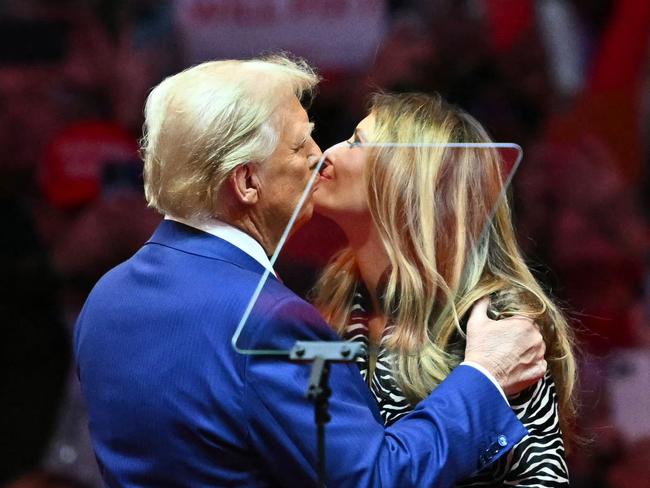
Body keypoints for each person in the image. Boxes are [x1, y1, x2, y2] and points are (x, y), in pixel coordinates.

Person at [74, 55, 547, 487]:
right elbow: (377, 479)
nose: (320, 155)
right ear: (247, 182)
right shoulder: (267, 320)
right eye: (300, 145)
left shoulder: (105, 300)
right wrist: (485, 376)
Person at [312, 92, 577, 486]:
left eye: (356, 142)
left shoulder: (493, 318)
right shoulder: (339, 294)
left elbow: (540, 479)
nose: (327, 152)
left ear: (405, 180)